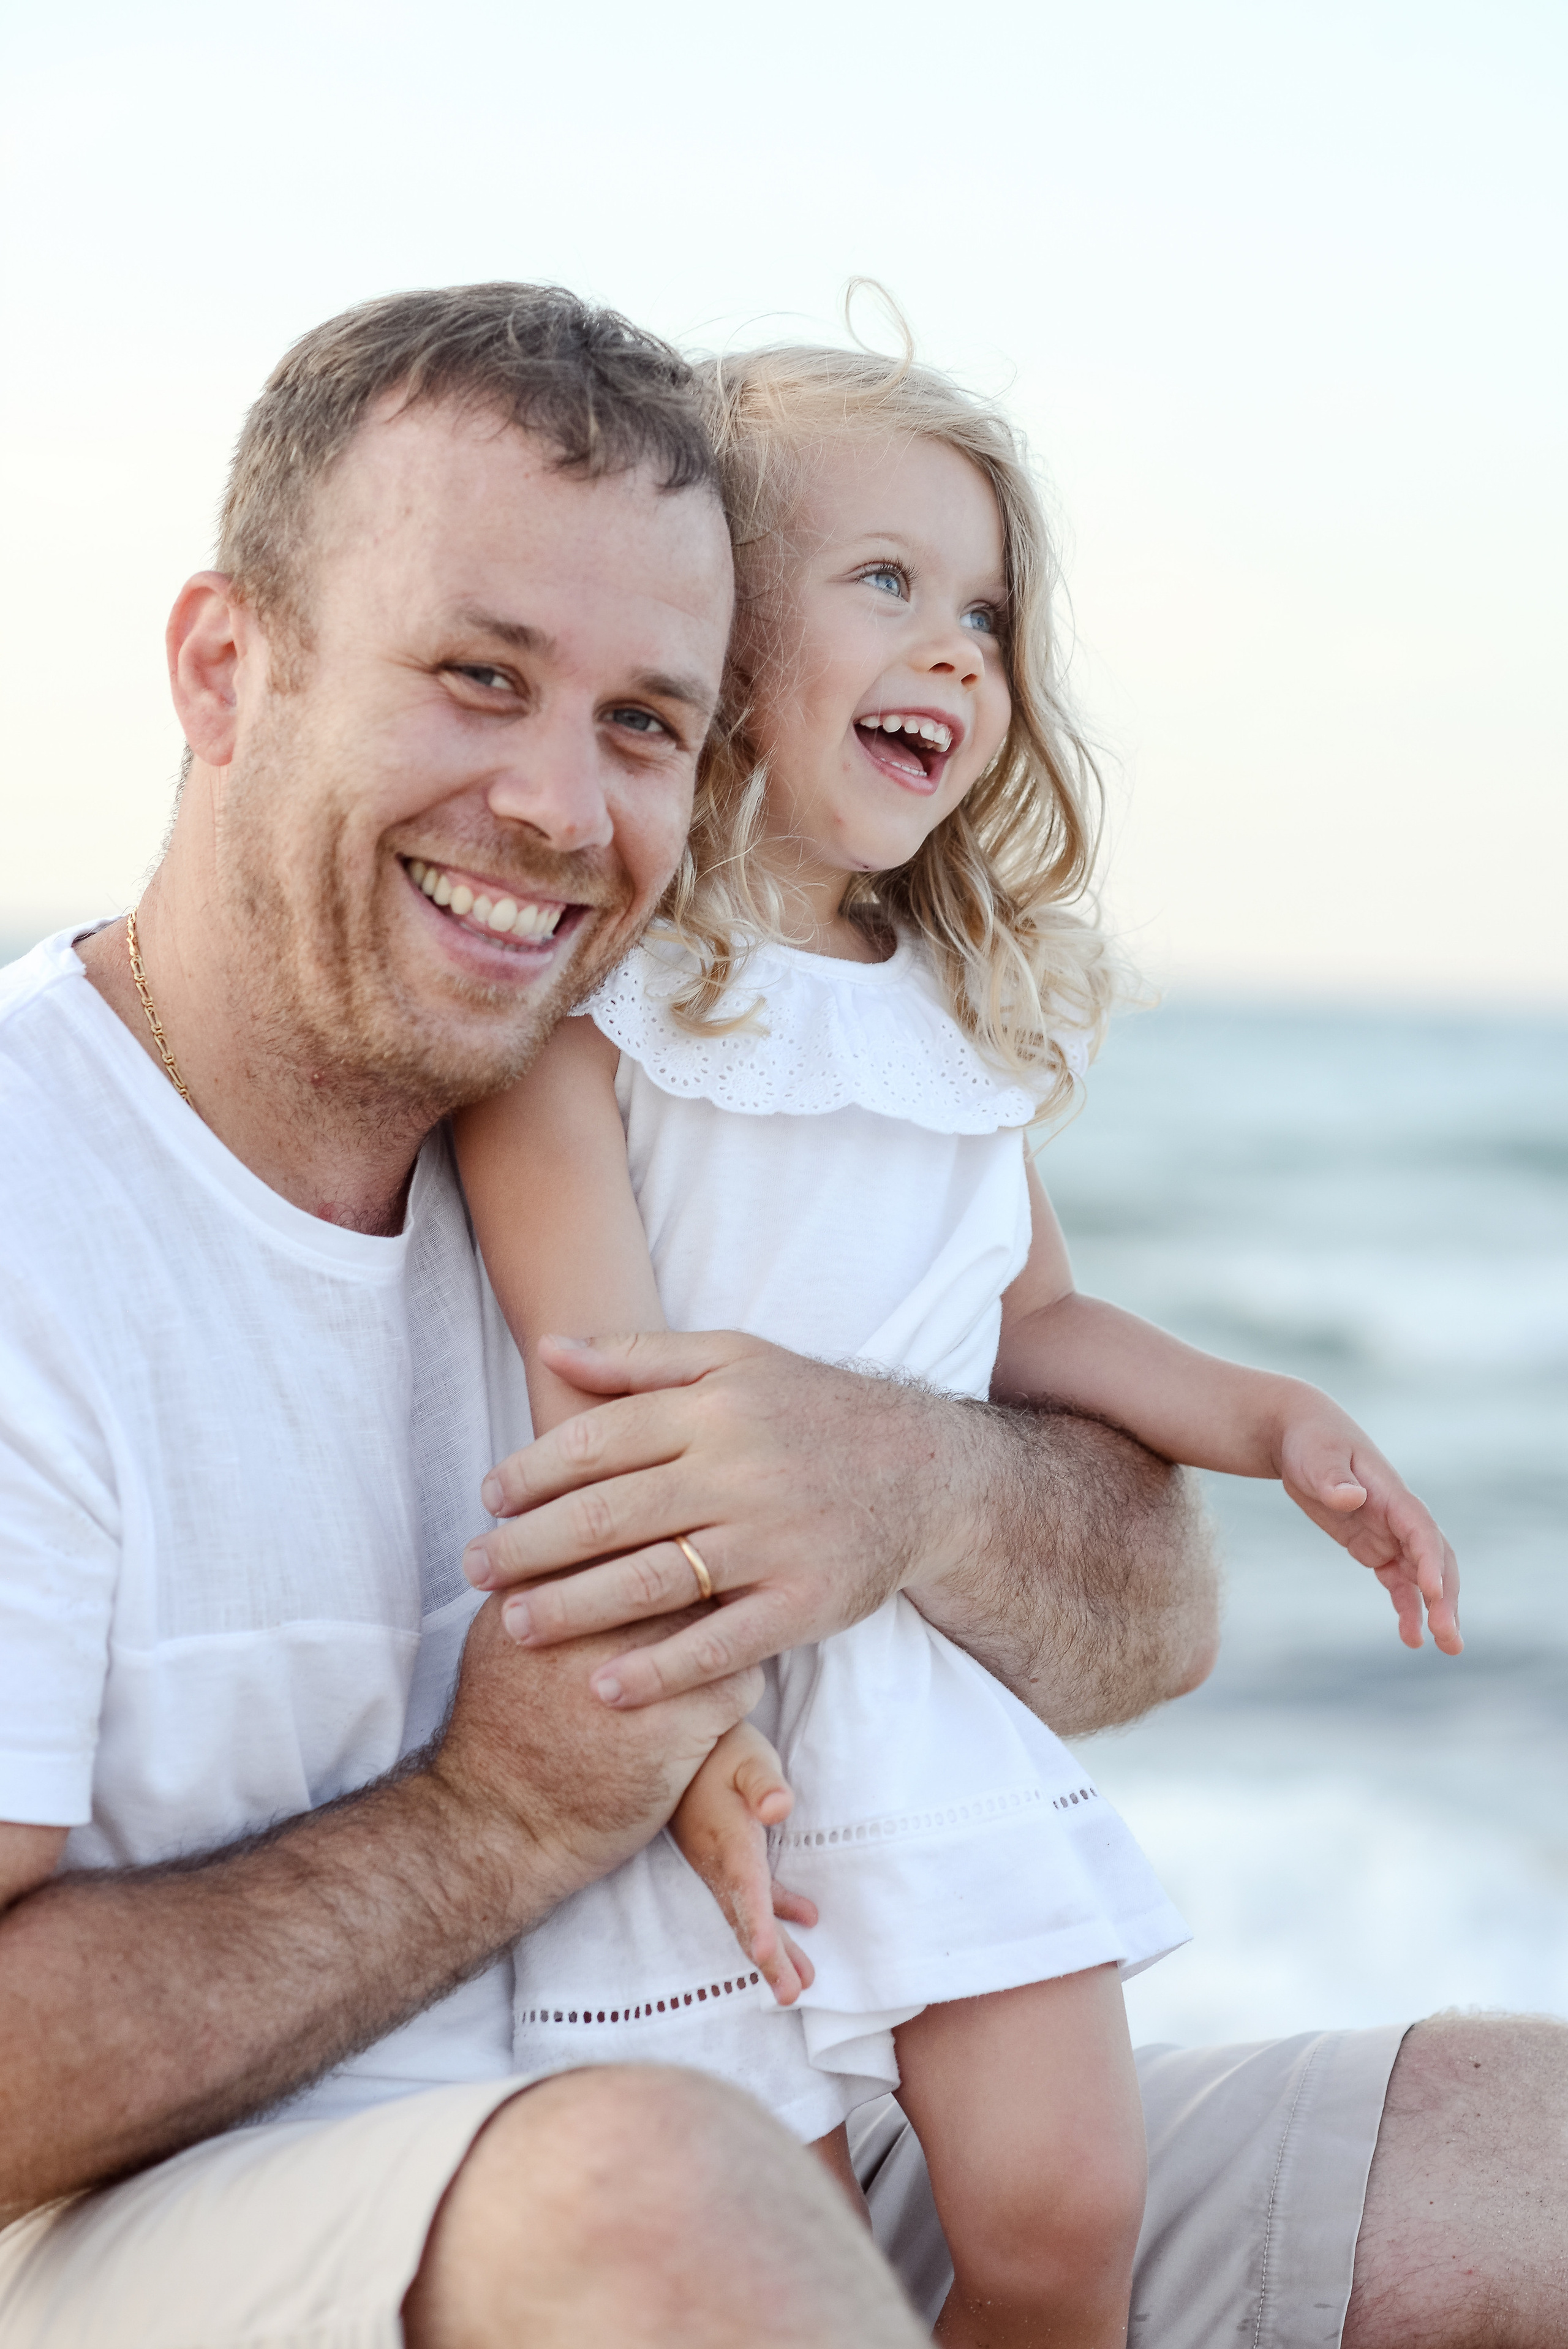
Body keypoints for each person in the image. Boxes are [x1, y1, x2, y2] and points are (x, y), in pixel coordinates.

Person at [0, 284, 1560, 2349]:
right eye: (478, 678)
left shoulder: (667, 1086)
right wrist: (503, 1808)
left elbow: (1149, 1622)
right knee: (666, 2195)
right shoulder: (47, 1204)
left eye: (640, 718)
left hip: (780, 2098)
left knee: (1522, 2150)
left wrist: (894, 1480)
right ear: (227, 665)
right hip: (218, 2226)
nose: (562, 809)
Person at [452, 337, 1461, 2349]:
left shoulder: (953, 1016)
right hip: (686, 1689)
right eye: (890, 583)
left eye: (990, 608)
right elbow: (596, 1379)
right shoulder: (603, 1005)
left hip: (910, 1698)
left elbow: (1042, 1321)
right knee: (782, 2264)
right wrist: (690, 1732)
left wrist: (1276, 1420)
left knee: (1065, 2208)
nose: (963, 649)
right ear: (721, 635)